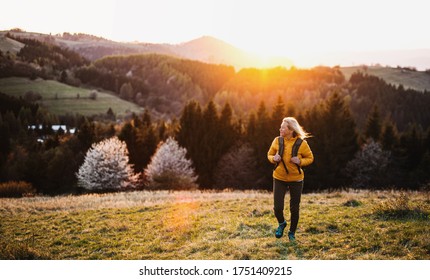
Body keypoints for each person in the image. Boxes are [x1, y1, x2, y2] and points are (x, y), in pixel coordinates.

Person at [267, 117, 314, 241]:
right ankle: (282, 223)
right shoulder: (277, 141)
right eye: (281, 127)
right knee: (277, 207)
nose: (280, 129)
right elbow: (269, 154)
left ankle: (292, 232)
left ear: (291, 129)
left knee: (294, 207)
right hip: (279, 177)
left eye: (283, 127)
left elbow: (310, 158)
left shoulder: (302, 143)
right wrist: (273, 158)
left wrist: (300, 161)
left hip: (296, 179)